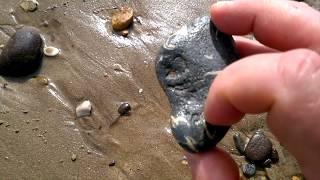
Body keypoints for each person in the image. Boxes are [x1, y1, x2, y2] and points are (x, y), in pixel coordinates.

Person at [186, 0, 320, 179]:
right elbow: (247, 148)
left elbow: (247, 148)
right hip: (255, 146)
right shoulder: (257, 155)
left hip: (255, 144)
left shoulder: (257, 154)